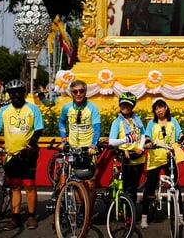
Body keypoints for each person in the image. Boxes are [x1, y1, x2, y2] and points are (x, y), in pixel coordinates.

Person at [0, 79, 44, 230]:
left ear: (24, 93)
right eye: (13, 92)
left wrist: (30, 146)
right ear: (9, 94)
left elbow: (38, 129)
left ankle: (31, 216)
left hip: (29, 154)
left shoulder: (33, 109)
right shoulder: (3, 111)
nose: (16, 95)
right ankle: (15, 217)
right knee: (15, 186)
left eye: (19, 92)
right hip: (11, 155)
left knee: (29, 185)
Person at [141, 98, 184, 229]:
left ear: (166, 107)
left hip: (169, 158)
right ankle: (144, 217)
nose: (158, 110)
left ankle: (180, 217)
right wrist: (148, 142)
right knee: (149, 188)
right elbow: (147, 136)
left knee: (176, 187)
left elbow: (180, 134)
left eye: (160, 107)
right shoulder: (151, 123)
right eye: (156, 108)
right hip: (155, 159)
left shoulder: (173, 121)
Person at [58, 80, 101, 211]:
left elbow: (97, 128)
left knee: (90, 184)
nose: (78, 94)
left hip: (88, 149)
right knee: (77, 182)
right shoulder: (67, 107)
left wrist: (93, 146)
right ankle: (81, 211)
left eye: (81, 91)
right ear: (71, 93)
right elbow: (61, 122)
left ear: (85, 92)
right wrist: (64, 140)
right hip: (72, 149)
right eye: (75, 91)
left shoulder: (92, 108)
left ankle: (88, 210)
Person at [108, 92, 146, 215]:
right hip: (124, 158)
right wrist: (126, 141)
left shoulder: (137, 119)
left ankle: (130, 214)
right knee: (123, 187)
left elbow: (144, 135)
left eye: (128, 105)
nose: (125, 107)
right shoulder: (116, 122)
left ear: (133, 106)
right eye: (123, 104)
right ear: (119, 105)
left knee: (133, 189)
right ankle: (120, 210)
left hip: (138, 158)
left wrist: (140, 147)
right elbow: (112, 141)